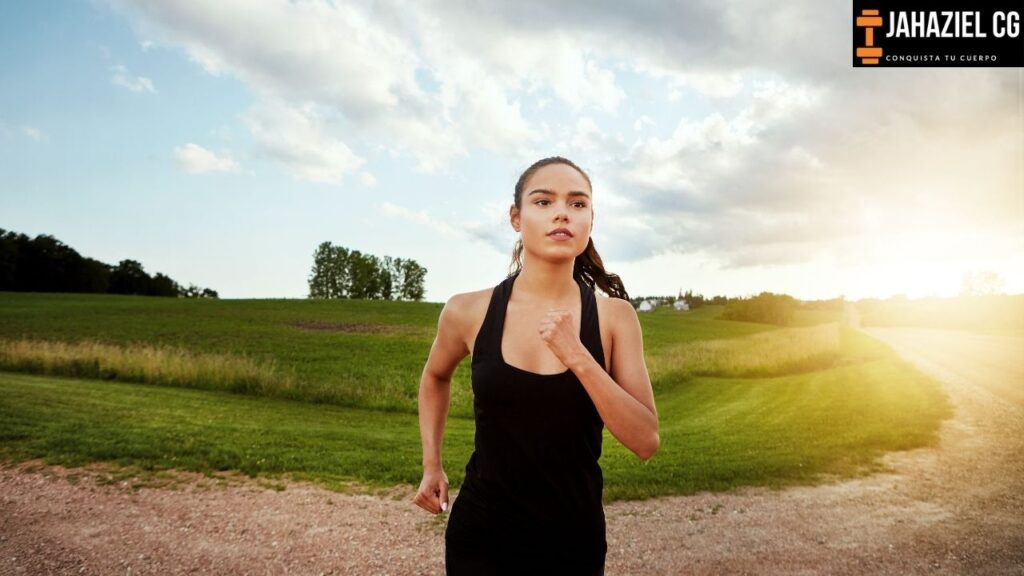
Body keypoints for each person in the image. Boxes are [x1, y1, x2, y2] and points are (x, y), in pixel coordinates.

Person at [413, 156, 660, 575]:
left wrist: (579, 356)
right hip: (482, 533)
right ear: (516, 217)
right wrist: (431, 464)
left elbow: (645, 441)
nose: (563, 212)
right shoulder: (467, 311)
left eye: (578, 204)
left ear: (590, 221)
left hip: (571, 539)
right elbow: (435, 375)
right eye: (543, 202)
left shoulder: (615, 318)